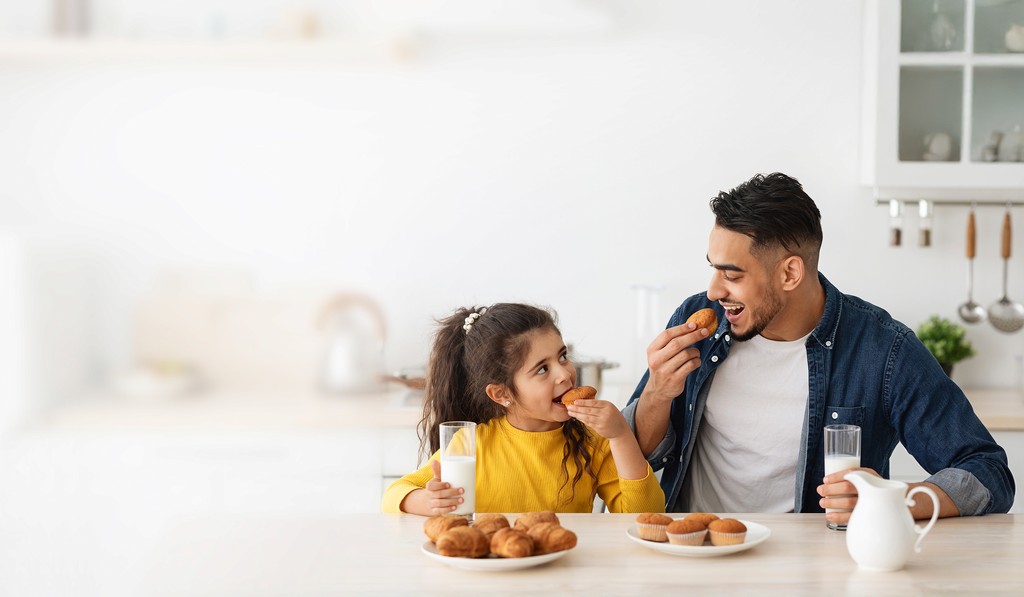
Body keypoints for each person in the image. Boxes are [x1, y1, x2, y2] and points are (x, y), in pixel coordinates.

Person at [624, 172, 1015, 523]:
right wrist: (657, 393)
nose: (714, 290)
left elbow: (987, 471)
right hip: (697, 551)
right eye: (713, 268)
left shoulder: (883, 351)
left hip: (815, 568)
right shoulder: (697, 319)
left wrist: (898, 501)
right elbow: (635, 453)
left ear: (790, 273)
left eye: (732, 274)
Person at [382, 303, 665, 515]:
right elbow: (394, 494)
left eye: (563, 356)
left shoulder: (593, 441)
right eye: (542, 369)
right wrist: (425, 501)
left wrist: (620, 436)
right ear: (502, 393)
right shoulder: (472, 444)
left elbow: (643, 516)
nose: (565, 374)